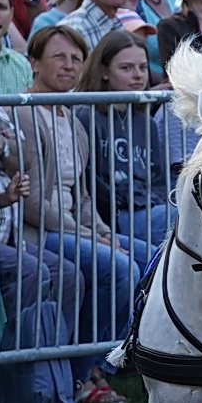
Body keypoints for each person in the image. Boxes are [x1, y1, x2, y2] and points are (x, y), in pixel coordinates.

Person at [13, 24, 140, 403]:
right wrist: (86, 234)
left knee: (150, 259)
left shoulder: (70, 117)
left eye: (75, 58)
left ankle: (101, 366)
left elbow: (81, 195)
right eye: (58, 57)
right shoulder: (24, 113)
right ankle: (84, 374)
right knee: (119, 269)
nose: (68, 66)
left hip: (73, 227)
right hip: (36, 232)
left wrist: (100, 229)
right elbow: (31, 201)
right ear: (33, 63)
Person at [76, 30, 169, 248]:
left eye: (143, 67)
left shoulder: (147, 121)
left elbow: (160, 179)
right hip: (113, 215)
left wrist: (151, 198)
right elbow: (90, 181)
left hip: (148, 206)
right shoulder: (86, 115)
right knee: (176, 218)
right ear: (105, 72)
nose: (138, 75)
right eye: (126, 68)